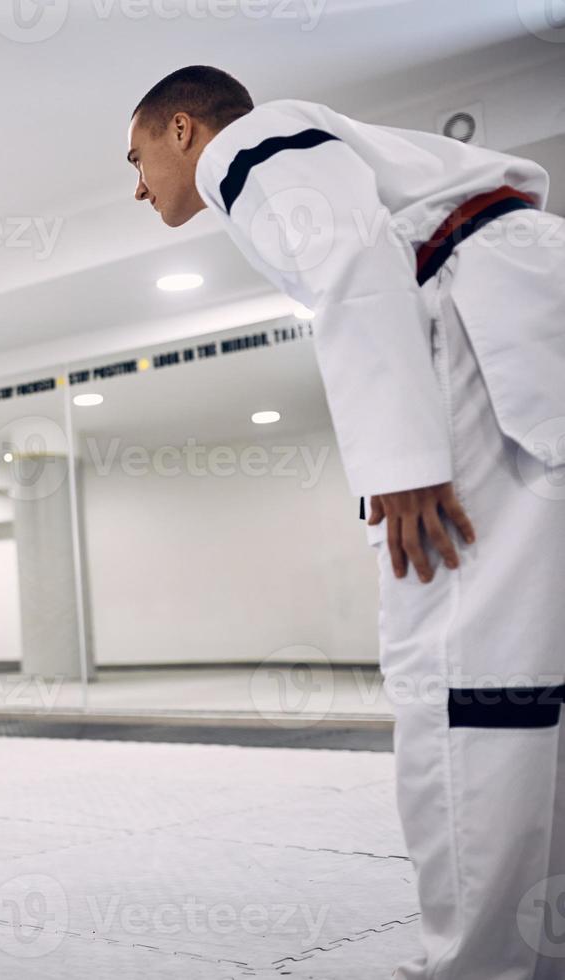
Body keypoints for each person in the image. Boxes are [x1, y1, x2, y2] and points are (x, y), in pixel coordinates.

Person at [124, 65, 565, 977]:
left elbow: (351, 261)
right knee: (527, 674)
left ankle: (481, 962)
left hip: (480, 339)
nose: (138, 186)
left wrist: (403, 464)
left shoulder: (249, 143)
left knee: (463, 680)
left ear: (181, 128)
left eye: (137, 159)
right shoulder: (350, 153)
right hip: (523, 333)